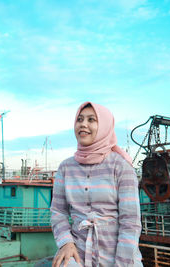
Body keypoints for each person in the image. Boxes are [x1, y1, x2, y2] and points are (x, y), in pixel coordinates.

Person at [50, 102, 142, 267]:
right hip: (78, 252)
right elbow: (58, 211)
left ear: (104, 127)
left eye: (91, 120)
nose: (83, 124)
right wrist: (66, 242)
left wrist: (121, 264)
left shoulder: (121, 167)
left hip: (119, 254)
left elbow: (131, 221)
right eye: (80, 119)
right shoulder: (65, 168)